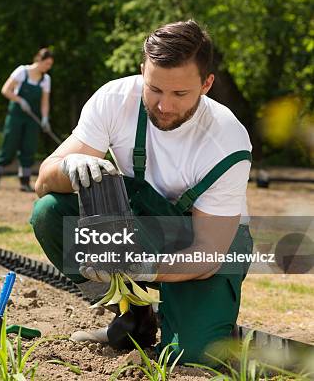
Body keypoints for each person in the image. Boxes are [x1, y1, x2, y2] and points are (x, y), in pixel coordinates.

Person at [29, 20, 253, 364]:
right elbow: (43, 181)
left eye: (180, 94)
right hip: (149, 227)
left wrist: (142, 268)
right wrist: (69, 166)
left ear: (206, 84)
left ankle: (206, 322)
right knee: (50, 213)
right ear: (142, 72)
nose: (164, 106)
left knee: (191, 357)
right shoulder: (115, 100)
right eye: (155, 89)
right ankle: (133, 316)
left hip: (210, 245)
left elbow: (208, 252)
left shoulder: (226, 141)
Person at [0, 48, 54, 192]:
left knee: (28, 147)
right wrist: (20, 100)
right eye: (47, 64)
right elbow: (5, 90)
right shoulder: (22, 71)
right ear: (39, 60)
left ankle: (24, 182)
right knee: (9, 145)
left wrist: (45, 118)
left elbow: (45, 102)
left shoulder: (46, 79)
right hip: (16, 115)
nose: (48, 67)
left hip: (32, 118)